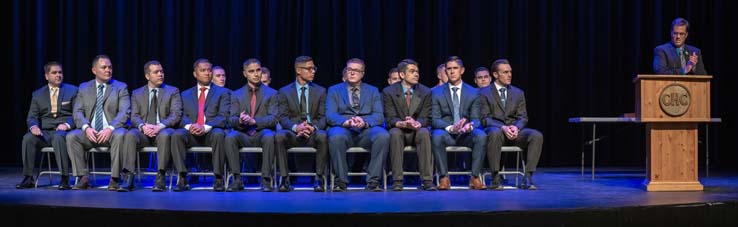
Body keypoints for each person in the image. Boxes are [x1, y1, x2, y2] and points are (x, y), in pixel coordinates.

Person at [66, 55, 132, 191]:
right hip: (92, 132)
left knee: (120, 135)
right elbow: (77, 112)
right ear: (94, 70)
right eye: (104, 67)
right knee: (72, 136)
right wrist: (86, 128)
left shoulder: (120, 87)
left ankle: (115, 178)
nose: (108, 70)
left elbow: (124, 112)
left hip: (112, 132)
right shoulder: (84, 88)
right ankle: (82, 177)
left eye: (110, 67)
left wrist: (110, 128)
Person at [326, 58, 389, 192]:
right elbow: (330, 115)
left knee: (382, 135)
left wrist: (364, 122)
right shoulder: (334, 90)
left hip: (365, 131)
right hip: (344, 129)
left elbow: (379, 115)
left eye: (356, 70)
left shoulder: (372, 90)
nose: (352, 73)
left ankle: (373, 181)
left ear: (362, 73)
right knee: (335, 136)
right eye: (349, 70)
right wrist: (346, 122)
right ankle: (340, 182)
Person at [480, 59, 543, 190]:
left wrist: (517, 127)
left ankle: (528, 177)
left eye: (510, 72)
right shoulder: (483, 93)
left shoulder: (518, 93)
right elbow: (484, 118)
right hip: (496, 132)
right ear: (495, 75)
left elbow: (523, 117)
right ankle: (495, 178)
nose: (509, 75)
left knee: (536, 135)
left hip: (514, 132)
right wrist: (502, 127)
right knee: (494, 132)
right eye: (505, 72)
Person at [171, 58, 231, 191]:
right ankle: (182, 177)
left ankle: (218, 178)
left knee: (219, 133)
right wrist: (190, 126)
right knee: (177, 135)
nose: (207, 73)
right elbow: (181, 116)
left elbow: (224, 116)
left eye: (209, 70)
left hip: (211, 133)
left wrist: (204, 127)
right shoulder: (185, 94)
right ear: (195, 74)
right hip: (192, 133)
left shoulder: (223, 92)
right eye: (203, 70)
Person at [124, 61, 183, 192]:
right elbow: (133, 115)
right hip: (144, 132)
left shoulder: (172, 91)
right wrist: (142, 126)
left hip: (162, 130)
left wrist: (160, 126)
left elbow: (176, 115)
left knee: (166, 135)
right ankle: (129, 177)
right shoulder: (137, 93)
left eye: (161, 71)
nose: (160, 74)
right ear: (147, 76)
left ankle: (160, 176)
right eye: (156, 72)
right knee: (130, 135)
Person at [18, 62, 78, 190]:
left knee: (58, 137)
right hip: (45, 132)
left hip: (64, 132)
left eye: (60, 72)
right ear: (46, 76)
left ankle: (64, 178)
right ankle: (28, 177)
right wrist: (34, 127)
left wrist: (67, 124)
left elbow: (78, 114)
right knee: (28, 138)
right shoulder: (38, 94)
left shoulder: (72, 90)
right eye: (54, 73)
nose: (58, 75)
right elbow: (32, 116)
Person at [430, 56, 487, 190]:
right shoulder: (436, 92)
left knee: (481, 136)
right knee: (436, 135)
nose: (452, 72)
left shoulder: (473, 92)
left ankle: (474, 177)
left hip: (466, 134)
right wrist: (450, 128)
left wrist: (469, 126)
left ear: (462, 70)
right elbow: (434, 119)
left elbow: (477, 119)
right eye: (448, 69)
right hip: (447, 133)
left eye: (455, 68)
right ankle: (444, 178)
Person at [274, 56, 328, 192]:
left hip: (313, 132)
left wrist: (312, 127)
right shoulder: (284, 92)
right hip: (293, 133)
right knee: (279, 136)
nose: (313, 71)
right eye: (309, 69)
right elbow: (283, 117)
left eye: (314, 68)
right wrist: (296, 127)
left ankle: (319, 178)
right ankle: (285, 179)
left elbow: (323, 117)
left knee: (323, 136)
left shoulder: (320, 91)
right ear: (298, 70)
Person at [225, 58, 279, 192]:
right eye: (251, 71)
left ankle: (266, 179)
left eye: (258, 70)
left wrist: (255, 121)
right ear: (245, 74)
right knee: (230, 137)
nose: (256, 74)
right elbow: (230, 119)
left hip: (261, 133)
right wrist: (241, 120)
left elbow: (274, 118)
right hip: (244, 133)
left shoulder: (272, 93)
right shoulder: (236, 94)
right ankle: (237, 179)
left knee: (269, 136)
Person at [382, 59, 435, 191]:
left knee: (424, 132)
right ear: (402, 75)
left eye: (417, 71)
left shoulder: (425, 91)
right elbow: (389, 117)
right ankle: (397, 181)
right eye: (412, 71)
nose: (416, 74)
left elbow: (427, 117)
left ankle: (427, 180)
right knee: (394, 133)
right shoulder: (389, 91)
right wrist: (400, 123)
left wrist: (417, 123)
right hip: (399, 129)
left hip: (417, 130)